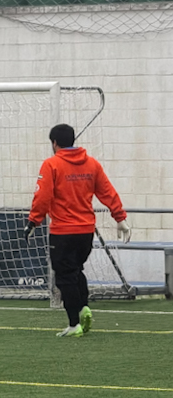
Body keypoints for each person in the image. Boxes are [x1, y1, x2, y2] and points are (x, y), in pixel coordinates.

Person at [24, 123, 131, 337]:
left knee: (64, 276)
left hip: (63, 231)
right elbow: (107, 191)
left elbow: (42, 197)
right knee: (75, 270)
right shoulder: (91, 164)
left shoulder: (51, 165)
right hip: (85, 232)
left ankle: (74, 324)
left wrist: (33, 222)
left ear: (54, 143)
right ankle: (84, 308)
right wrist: (120, 218)